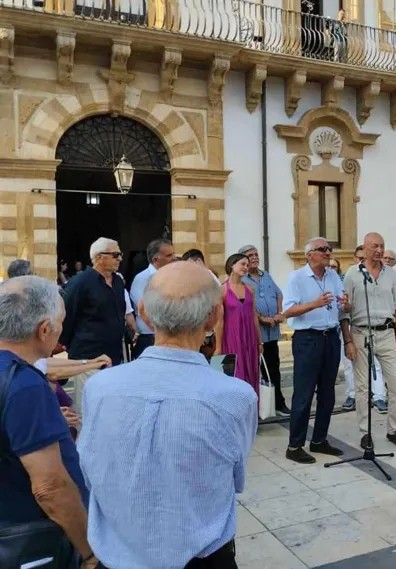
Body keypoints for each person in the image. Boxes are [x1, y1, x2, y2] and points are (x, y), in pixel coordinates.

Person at [78, 261, 257, 569]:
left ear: (144, 313)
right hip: (203, 557)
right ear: (214, 316)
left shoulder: (99, 387)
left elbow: (89, 470)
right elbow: (235, 478)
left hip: (118, 556)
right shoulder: (235, 396)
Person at [0, 276, 96, 569]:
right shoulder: (24, 384)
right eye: (60, 322)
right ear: (44, 329)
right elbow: (50, 486)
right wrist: (89, 553)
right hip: (29, 539)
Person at [283, 237, 348, 464]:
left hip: (330, 337)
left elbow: (341, 305)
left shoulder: (332, 276)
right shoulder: (297, 278)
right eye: (322, 249)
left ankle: (319, 439)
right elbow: (288, 311)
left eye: (329, 249)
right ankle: (295, 445)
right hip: (307, 339)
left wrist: (344, 303)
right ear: (309, 254)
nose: (327, 252)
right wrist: (314, 303)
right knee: (304, 393)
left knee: (327, 392)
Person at [342, 232, 396, 449]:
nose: (379, 250)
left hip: (387, 332)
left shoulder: (391, 275)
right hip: (361, 332)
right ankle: (365, 431)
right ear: (365, 247)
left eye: (382, 246)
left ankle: (393, 429)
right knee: (362, 386)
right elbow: (344, 311)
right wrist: (348, 341)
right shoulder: (353, 274)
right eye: (374, 246)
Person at [60, 237, 126, 401]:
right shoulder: (80, 282)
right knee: (86, 408)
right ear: (99, 257)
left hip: (114, 358)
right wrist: (67, 343)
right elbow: (66, 315)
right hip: (87, 356)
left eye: (120, 254)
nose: (120, 258)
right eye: (115, 255)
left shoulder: (118, 281)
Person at [240, 244, 290, 416]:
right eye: (250, 255)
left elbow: (279, 294)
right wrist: (262, 318)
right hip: (255, 333)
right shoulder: (242, 279)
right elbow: (246, 305)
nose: (254, 257)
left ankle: (278, 403)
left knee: (273, 368)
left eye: (256, 254)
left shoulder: (266, 275)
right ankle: (258, 407)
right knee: (255, 370)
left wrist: (277, 313)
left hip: (272, 332)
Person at [214, 254, 262, 400]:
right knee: (234, 374)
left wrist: (259, 341)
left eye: (247, 265)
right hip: (231, 338)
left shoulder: (250, 289)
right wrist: (218, 347)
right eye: (242, 264)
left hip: (249, 338)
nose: (246, 267)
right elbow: (219, 321)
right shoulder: (222, 290)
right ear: (232, 266)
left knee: (251, 372)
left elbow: (254, 316)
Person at [129, 238, 176, 358]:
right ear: (156, 259)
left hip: (171, 337)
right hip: (151, 337)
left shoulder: (173, 276)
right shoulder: (142, 279)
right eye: (169, 255)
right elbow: (144, 310)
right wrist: (161, 334)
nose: (174, 258)